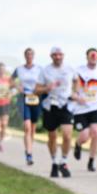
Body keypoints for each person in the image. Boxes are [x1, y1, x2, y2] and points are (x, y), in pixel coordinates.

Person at [35, 47, 77, 177]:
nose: (58, 57)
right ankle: (54, 162)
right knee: (52, 136)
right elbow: (36, 89)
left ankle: (63, 162)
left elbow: (76, 81)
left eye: (60, 54)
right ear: (51, 56)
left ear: (63, 55)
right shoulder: (45, 70)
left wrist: (75, 92)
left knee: (67, 135)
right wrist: (47, 88)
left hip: (66, 105)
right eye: (55, 55)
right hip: (50, 105)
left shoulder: (70, 68)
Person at [70, 47, 97, 172]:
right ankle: (78, 144)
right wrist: (75, 96)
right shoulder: (78, 71)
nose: (93, 58)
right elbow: (70, 87)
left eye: (95, 56)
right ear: (87, 57)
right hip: (80, 109)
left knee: (96, 133)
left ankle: (91, 161)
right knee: (85, 136)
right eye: (91, 56)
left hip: (94, 107)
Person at [13, 47, 43, 166]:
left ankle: (29, 148)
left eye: (31, 54)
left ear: (33, 56)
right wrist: (17, 87)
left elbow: (45, 82)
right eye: (27, 54)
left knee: (33, 128)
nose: (29, 56)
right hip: (23, 98)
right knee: (27, 127)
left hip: (36, 98)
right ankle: (29, 155)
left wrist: (40, 89)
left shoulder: (39, 69)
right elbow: (11, 80)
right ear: (25, 56)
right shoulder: (19, 69)